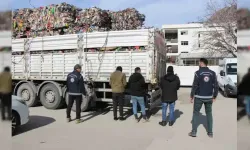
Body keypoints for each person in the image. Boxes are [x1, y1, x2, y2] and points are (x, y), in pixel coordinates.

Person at [189, 58, 218, 138]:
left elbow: (195, 85)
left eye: (199, 63)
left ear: (201, 63)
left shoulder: (198, 73)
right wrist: (214, 95)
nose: (199, 64)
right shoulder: (213, 73)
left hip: (199, 97)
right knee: (209, 114)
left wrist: (192, 96)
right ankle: (210, 132)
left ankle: (194, 132)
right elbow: (216, 85)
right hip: (209, 97)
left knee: (195, 113)